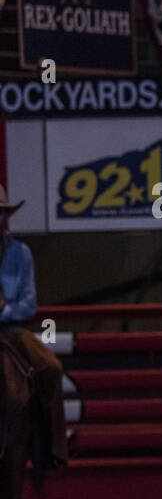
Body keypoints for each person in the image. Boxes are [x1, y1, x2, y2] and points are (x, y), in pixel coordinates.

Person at [0, 185, 68, 480]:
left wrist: (2, 311)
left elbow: (29, 302)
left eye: (1, 213)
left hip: (12, 328)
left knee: (52, 367)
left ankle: (49, 449)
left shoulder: (20, 252)